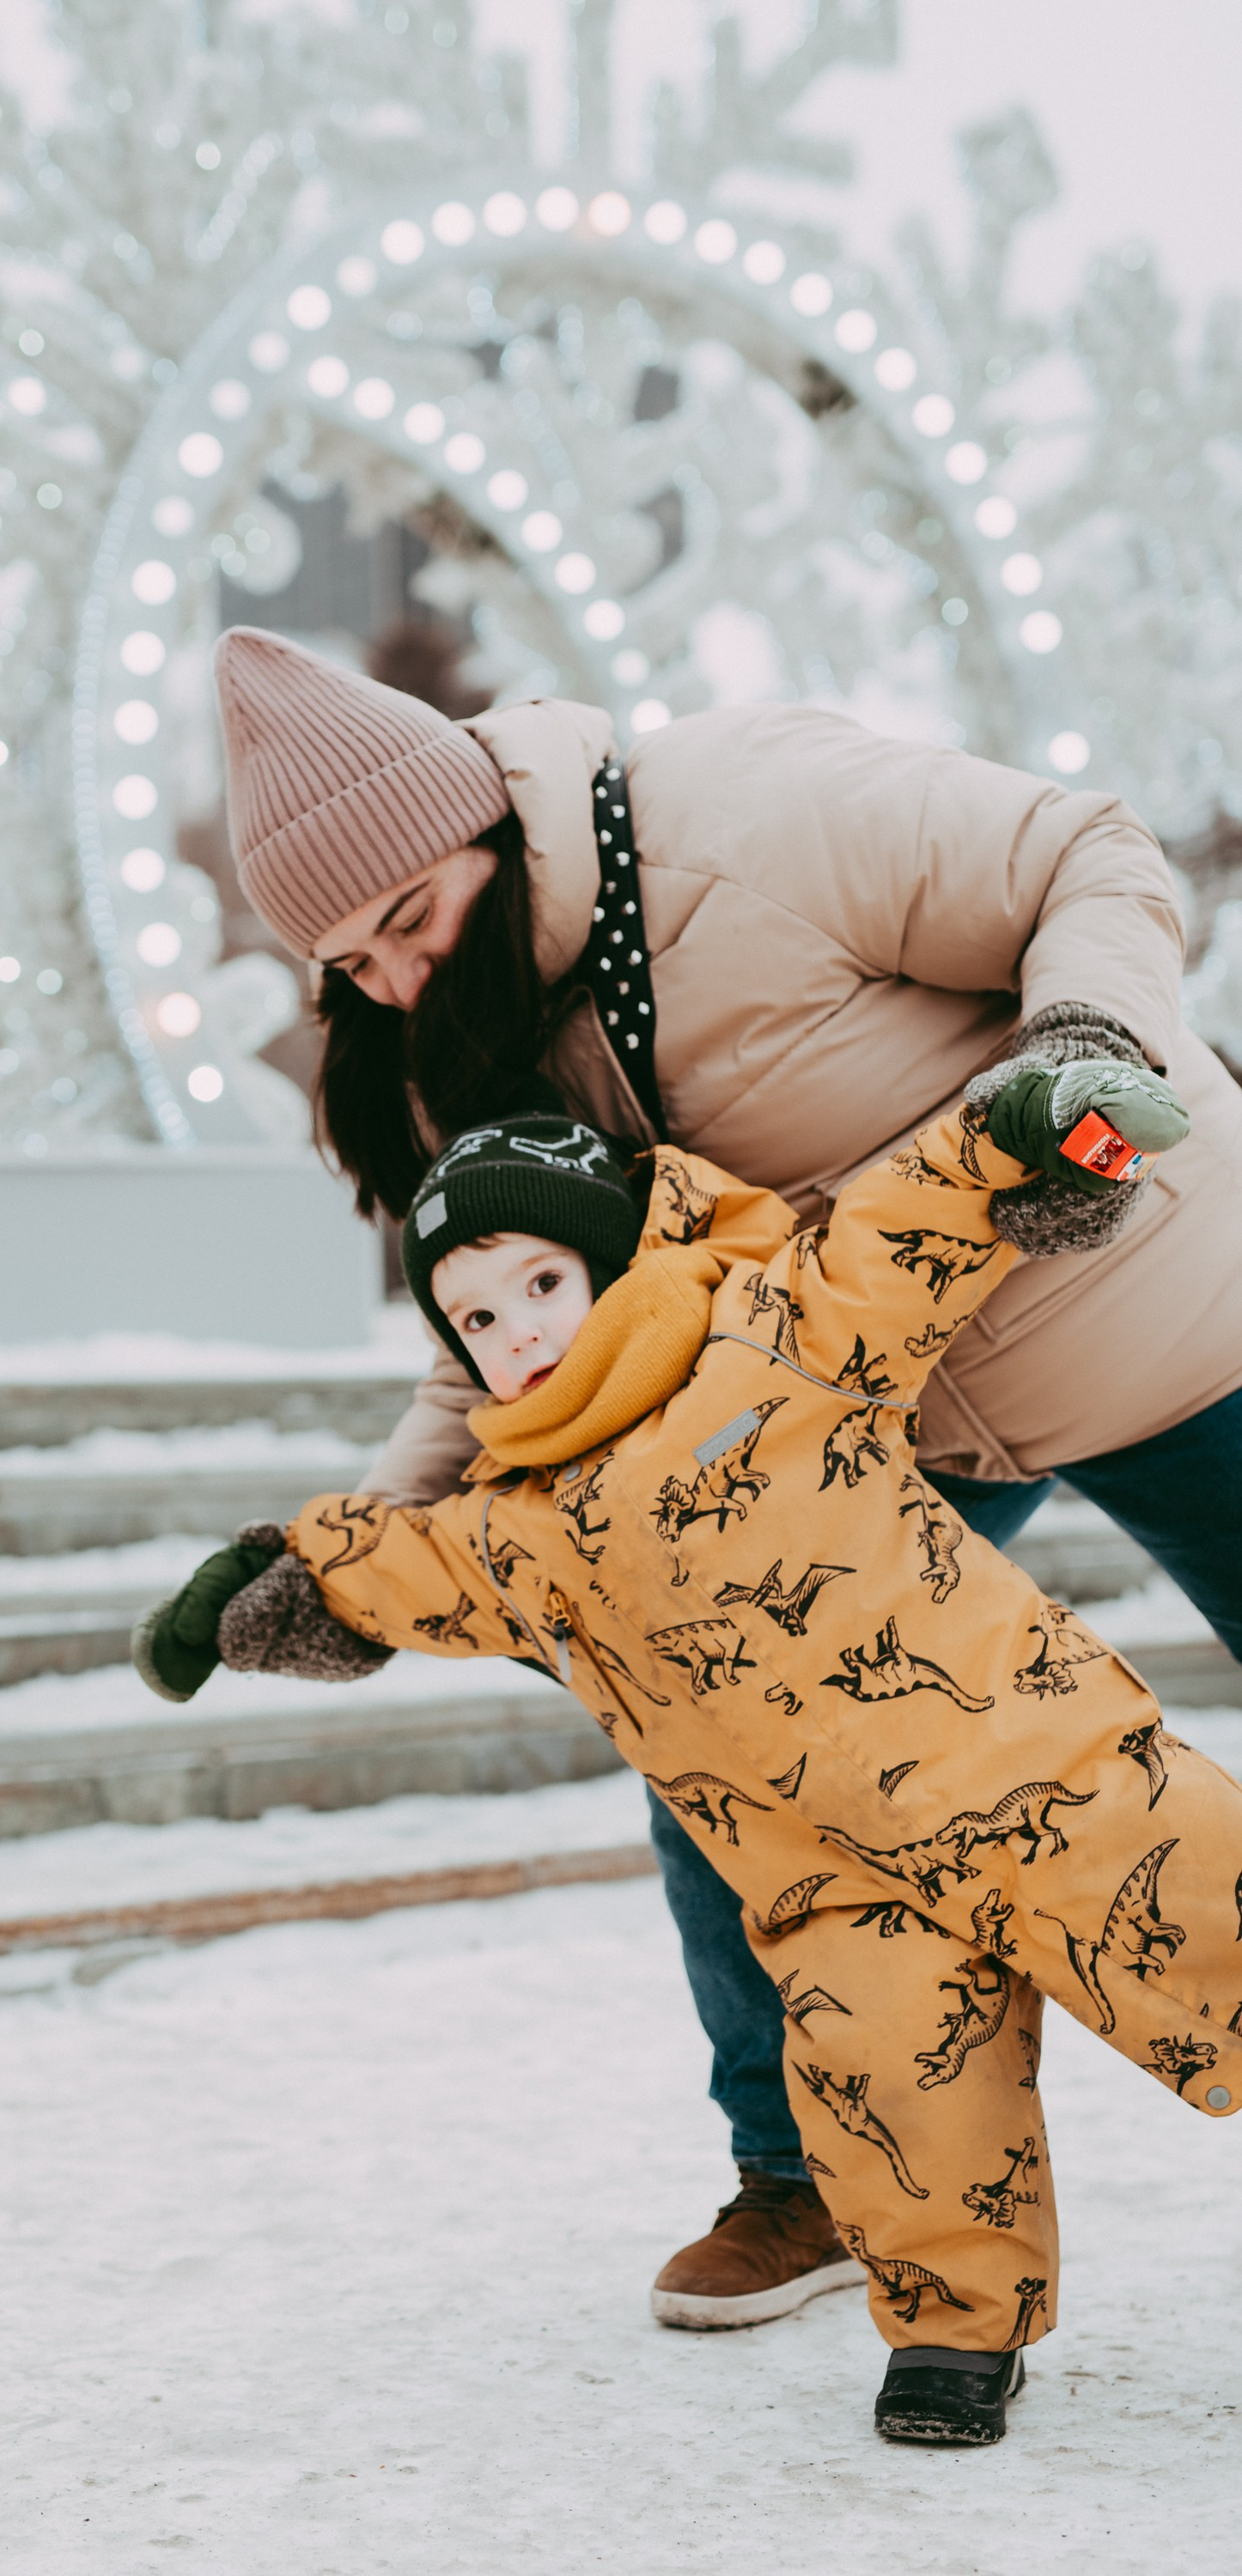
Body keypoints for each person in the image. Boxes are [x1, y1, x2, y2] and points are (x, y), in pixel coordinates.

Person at [210, 624, 1242, 2327]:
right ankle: (804, 2176)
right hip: (864, 1421)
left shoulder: (742, 812)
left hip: (1164, 1310)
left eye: (411, 919)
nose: (394, 979)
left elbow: (1088, 853)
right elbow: (504, 1334)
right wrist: (365, 1549)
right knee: (721, 1730)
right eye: (349, 964)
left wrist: (1082, 1048)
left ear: (495, 830)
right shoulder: (474, 1043)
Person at [133, 1071, 1236, 2451]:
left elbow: (902, 1231)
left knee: (1218, 1926)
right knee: (896, 2100)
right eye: (477, 1319)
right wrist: (256, 1589)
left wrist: (1018, 1129)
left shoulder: (773, 1341)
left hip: (1039, 1775)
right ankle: (955, 2332)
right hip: (826, 1884)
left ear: (611, 1260)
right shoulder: (514, 1530)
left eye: (542, 1284)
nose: (520, 1335)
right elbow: (392, 1564)